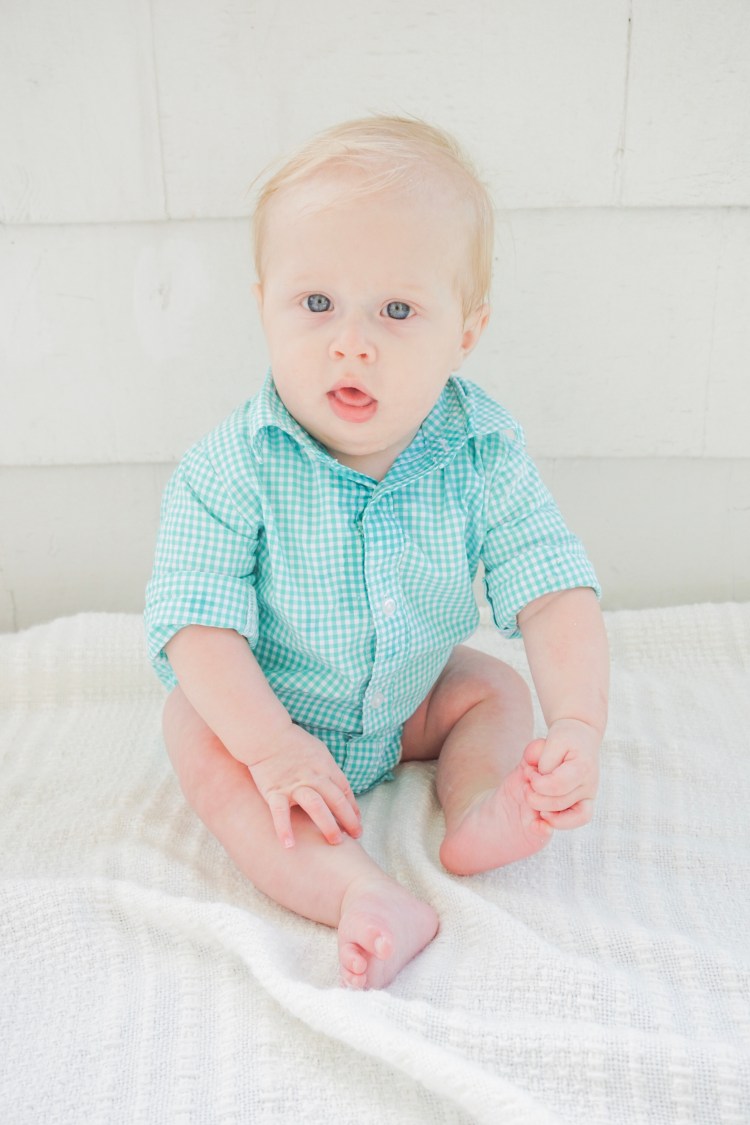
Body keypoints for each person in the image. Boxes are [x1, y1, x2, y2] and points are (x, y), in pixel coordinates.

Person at [145, 115, 609, 990]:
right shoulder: (231, 467)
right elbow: (197, 624)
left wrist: (579, 726)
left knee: (493, 687)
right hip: (271, 709)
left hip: (409, 702)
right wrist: (273, 746)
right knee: (194, 727)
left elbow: (553, 588)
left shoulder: (482, 451)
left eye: (397, 310)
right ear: (265, 306)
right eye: (317, 303)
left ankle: (479, 807)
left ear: (465, 331)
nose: (351, 341)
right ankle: (358, 889)